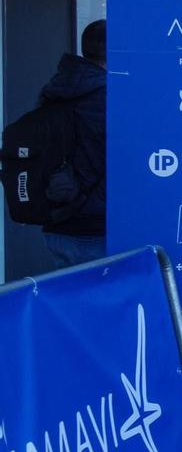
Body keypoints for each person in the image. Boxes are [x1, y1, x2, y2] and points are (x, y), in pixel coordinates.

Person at [33, 20, 108, 269]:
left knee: (69, 293)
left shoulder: (52, 91)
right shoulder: (109, 95)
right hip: (95, 223)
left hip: (56, 217)